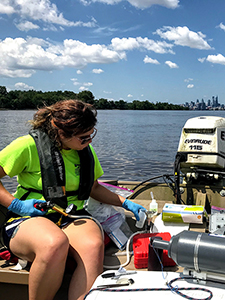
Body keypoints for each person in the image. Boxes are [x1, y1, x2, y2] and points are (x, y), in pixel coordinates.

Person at [0, 99, 146, 300]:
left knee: (93, 247)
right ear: (61, 133)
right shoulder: (26, 146)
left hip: (71, 215)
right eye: (84, 137)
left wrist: (124, 202)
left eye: (91, 134)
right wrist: (16, 204)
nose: (90, 141)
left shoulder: (85, 151)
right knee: (54, 243)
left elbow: (93, 188)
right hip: (29, 217)